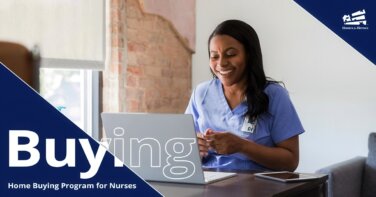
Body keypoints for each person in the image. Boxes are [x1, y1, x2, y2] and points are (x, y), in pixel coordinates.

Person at [185, 19, 304, 171]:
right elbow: (183, 148)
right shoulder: (201, 93)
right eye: (214, 56)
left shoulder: (274, 95)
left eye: (231, 54)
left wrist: (242, 146)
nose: (221, 63)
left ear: (249, 55)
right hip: (209, 184)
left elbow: (291, 162)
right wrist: (195, 147)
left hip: (256, 188)